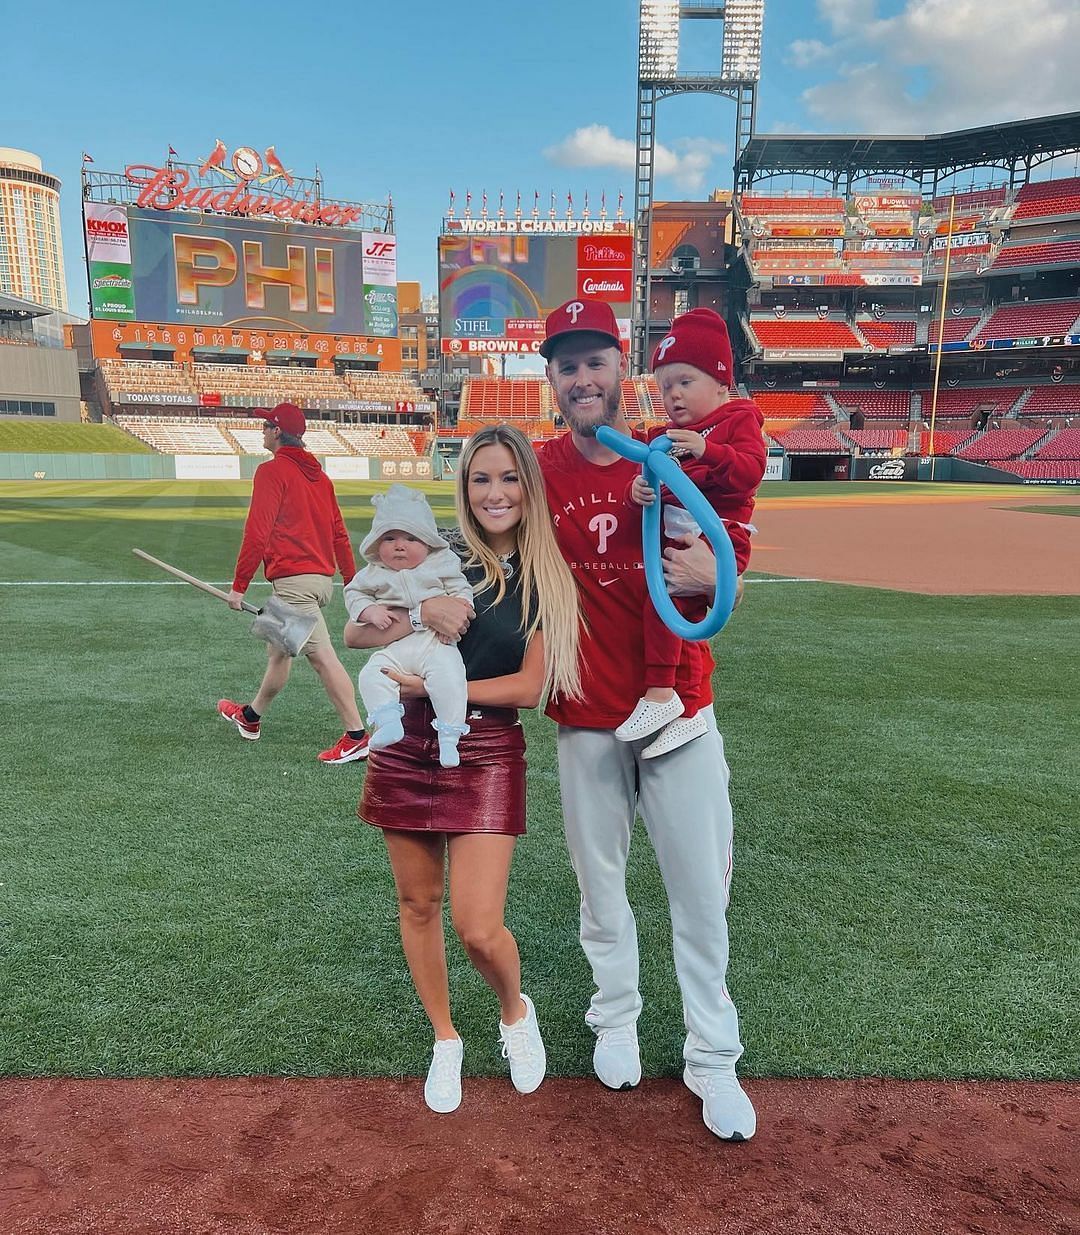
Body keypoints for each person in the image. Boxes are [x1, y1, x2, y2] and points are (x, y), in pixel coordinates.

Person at [537, 297, 757, 1142]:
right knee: (602, 893)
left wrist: (726, 566)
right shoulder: (541, 465)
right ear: (551, 379)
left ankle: (713, 1058)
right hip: (588, 715)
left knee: (701, 899)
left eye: (596, 361)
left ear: (619, 371)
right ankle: (615, 1017)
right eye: (567, 364)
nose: (582, 377)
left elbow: (730, 531)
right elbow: (490, 545)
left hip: (681, 711)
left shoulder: (671, 455)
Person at [345, 425, 582, 1114]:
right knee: (418, 904)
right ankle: (446, 1038)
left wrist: (439, 690)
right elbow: (357, 630)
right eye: (482, 478)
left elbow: (531, 687)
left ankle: (514, 1010)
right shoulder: (434, 552)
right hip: (405, 746)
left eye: (509, 477)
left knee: (478, 926)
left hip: (485, 749)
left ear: (527, 487)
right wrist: (421, 608)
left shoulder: (544, 574)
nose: (495, 492)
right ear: (464, 486)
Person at [619, 308, 766, 758]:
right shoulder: (668, 434)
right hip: (683, 532)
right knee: (666, 611)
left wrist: (711, 449)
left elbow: (749, 472)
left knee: (674, 610)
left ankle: (666, 696)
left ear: (721, 381)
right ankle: (687, 709)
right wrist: (637, 491)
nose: (673, 395)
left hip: (721, 534)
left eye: (686, 381)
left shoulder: (739, 418)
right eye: (665, 387)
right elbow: (650, 471)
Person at [217, 402, 368, 764]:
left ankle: (357, 736)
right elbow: (339, 534)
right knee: (278, 651)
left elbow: (257, 531)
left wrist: (239, 587)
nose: (261, 432)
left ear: (276, 431)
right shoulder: (321, 478)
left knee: (322, 658)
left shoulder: (272, 472)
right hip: (319, 580)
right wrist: (349, 579)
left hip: (294, 584)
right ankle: (250, 717)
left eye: (265, 426)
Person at [344, 484, 474, 767]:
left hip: (436, 644)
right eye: (389, 538)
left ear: (427, 542)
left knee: (451, 679)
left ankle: (450, 739)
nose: (399, 545)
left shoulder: (441, 564)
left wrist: (463, 607)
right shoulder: (374, 573)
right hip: (398, 649)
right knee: (372, 673)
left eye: (410, 538)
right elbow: (353, 595)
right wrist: (369, 611)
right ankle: (389, 721)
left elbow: (460, 587)